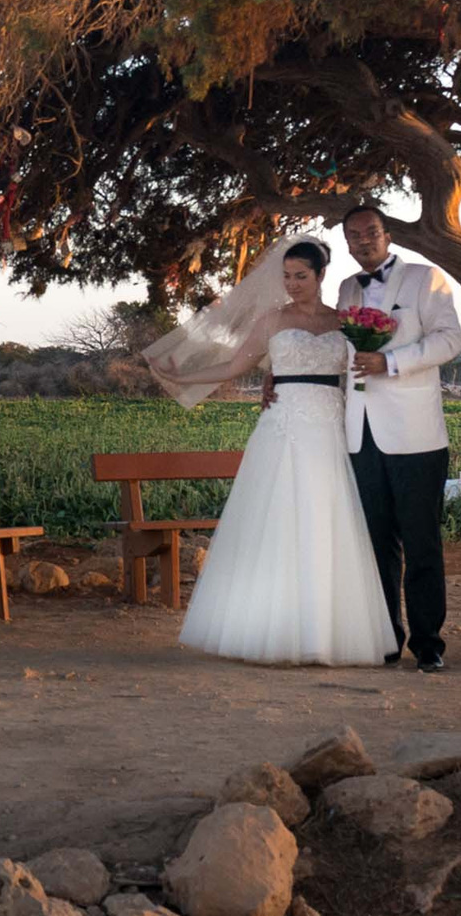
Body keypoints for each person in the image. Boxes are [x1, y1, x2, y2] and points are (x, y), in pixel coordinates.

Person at [140, 237, 397, 666]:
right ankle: (271, 631)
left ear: (320, 275)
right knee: (278, 522)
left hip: (329, 429)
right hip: (283, 429)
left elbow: (359, 375)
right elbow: (234, 365)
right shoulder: (272, 320)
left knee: (326, 525)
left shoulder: (344, 322)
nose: (292, 284)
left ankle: (325, 634)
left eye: (301, 276)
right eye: (287, 276)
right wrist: (183, 378)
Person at [336, 202, 461, 671]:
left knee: (421, 541)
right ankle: (385, 636)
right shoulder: (347, 288)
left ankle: (428, 644)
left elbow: (450, 339)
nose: (363, 241)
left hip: (415, 435)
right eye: (353, 236)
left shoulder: (424, 279)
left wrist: (390, 361)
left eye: (370, 232)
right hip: (360, 434)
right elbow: (339, 354)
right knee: (375, 543)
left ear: (387, 234)